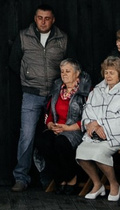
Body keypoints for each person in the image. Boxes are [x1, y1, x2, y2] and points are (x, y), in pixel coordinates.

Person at [13, 3, 69, 191]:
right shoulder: (24, 36)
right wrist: (28, 78)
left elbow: (71, 64)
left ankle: (56, 178)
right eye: (40, 18)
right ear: (34, 19)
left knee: (58, 134)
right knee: (27, 135)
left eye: (47, 18)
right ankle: (21, 178)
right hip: (31, 94)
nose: (43, 22)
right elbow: (14, 62)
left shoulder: (62, 38)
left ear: (53, 20)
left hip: (56, 95)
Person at [75, 54, 120, 202]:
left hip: (117, 133)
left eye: (112, 72)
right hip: (97, 132)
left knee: (99, 153)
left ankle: (114, 184)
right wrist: (92, 125)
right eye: (106, 72)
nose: (108, 76)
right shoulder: (98, 89)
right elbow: (88, 109)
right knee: (81, 153)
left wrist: (99, 123)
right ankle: (97, 184)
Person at [36, 59, 87, 191]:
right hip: (58, 128)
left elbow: (88, 118)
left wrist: (68, 128)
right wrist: (50, 125)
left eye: (68, 71)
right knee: (43, 141)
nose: (64, 74)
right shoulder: (57, 89)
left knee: (61, 142)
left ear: (77, 73)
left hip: (76, 129)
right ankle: (60, 177)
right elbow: (49, 112)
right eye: (62, 71)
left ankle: (71, 177)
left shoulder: (85, 91)